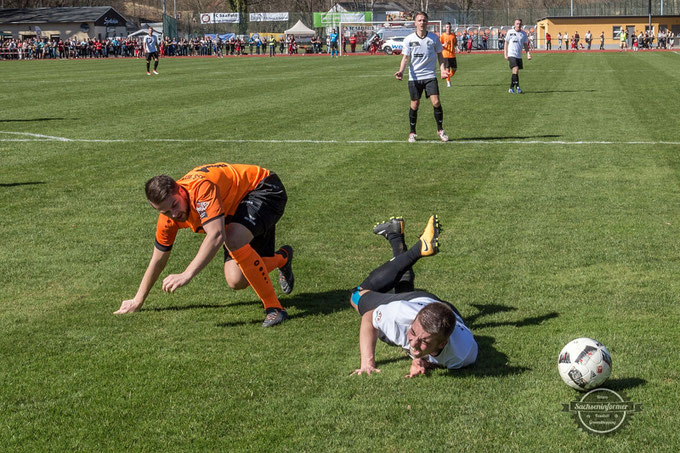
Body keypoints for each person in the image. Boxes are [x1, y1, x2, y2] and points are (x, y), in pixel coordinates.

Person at [114, 162, 295, 328]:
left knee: (232, 239)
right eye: (166, 211)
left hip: (264, 188)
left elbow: (216, 235)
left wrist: (187, 274)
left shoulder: (201, 189)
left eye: (175, 205)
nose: (174, 214)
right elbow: (158, 260)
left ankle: (275, 309)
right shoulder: (168, 219)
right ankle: (282, 258)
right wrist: (137, 300)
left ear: (180, 189)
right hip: (236, 210)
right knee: (236, 280)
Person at [350, 215, 477, 378]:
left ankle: (395, 235)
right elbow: (369, 318)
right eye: (414, 333)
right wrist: (367, 364)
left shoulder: (464, 355)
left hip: (448, 313)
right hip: (419, 302)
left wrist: (421, 361)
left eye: (425, 342)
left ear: (443, 343)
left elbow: (436, 354)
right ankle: (418, 248)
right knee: (356, 296)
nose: (414, 343)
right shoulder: (398, 314)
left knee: (402, 289)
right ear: (412, 322)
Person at [394, 11, 449, 143]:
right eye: (419, 20)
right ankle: (412, 132)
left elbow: (440, 55)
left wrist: (442, 70)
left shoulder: (433, 38)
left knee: (436, 102)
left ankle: (440, 130)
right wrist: (401, 71)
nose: (422, 23)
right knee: (415, 104)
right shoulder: (409, 39)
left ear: (427, 22)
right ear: (415, 23)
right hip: (414, 77)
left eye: (424, 20)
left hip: (430, 75)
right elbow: (405, 57)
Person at [504, 18, 531, 94]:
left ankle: (511, 88)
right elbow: (506, 43)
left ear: (521, 25)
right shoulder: (510, 32)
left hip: (519, 55)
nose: (518, 25)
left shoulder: (523, 33)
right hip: (511, 54)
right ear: (514, 24)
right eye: (517, 23)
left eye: (520, 24)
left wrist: (528, 54)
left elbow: (525, 45)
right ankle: (518, 87)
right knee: (515, 69)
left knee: (515, 72)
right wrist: (505, 54)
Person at [439, 22, 457, 88]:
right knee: (447, 69)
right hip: (445, 55)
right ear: (445, 28)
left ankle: (447, 76)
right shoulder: (443, 35)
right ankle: (448, 82)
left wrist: (457, 48)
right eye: (447, 27)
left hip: (453, 55)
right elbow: (439, 44)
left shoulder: (453, 35)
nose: (448, 28)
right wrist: (444, 44)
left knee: (454, 69)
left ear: (450, 28)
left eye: (449, 27)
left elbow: (455, 43)